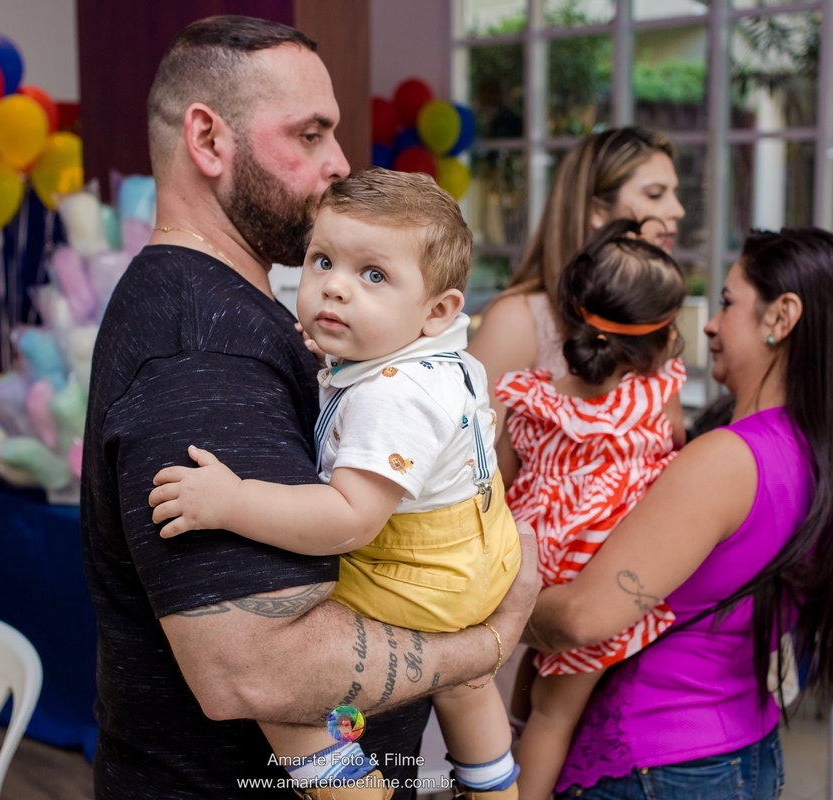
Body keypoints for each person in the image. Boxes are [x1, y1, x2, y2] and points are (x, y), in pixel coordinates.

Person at [80, 16, 537, 800]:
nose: (339, 163)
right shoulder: (204, 350)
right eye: (311, 134)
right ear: (209, 140)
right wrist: (484, 647)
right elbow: (252, 669)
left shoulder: (253, 319)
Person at [149, 169, 523, 799]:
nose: (335, 287)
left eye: (373, 275)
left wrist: (232, 501)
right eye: (322, 261)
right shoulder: (435, 358)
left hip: (420, 573)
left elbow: (350, 518)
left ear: (437, 311)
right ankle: (495, 787)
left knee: (274, 665)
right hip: (480, 552)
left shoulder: (393, 396)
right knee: (467, 683)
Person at [518, 228, 833, 799]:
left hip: (659, 759)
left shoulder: (728, 460)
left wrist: (487, 612)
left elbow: (584, 618)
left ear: (781, 317)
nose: (709, 325)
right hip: (743, 746)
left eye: (728, 303)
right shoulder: (820, 455)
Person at [491, 220, 688, 799]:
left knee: (533, 670)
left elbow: (500, 478)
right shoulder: (656, 396)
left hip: (532, 559)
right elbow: (676, 451)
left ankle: (507, 746)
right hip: (594, 568)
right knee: (557, 714)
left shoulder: (533, 397)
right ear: (660, 339)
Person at [468, 127, 687, 482]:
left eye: (675, 193)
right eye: (655, 194)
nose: (677, 210)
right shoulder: (519, 318)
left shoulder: (651, 316)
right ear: (596, 210)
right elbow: (470, 467)